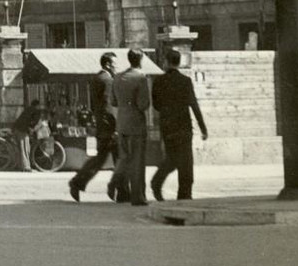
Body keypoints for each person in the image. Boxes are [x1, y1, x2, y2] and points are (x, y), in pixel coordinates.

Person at [150, 49, 208, 201]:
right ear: (178, 62)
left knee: (172, 158)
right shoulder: (185, 81)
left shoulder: (158, 81)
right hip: (184, 126)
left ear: (166, 62)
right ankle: (184, 193)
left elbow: (156, 105)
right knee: (186, 162)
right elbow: (194, 105)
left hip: (168, 126)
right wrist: (203, 127)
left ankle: (157, 181)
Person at [69, 52, 118, 202]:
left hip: (101, 124)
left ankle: (78, 182)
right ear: (108, 64)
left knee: (102, 158)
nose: (117, 67)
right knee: (118, 159)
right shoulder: (107, 80)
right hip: (109, 125)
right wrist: (116, 125)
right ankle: (118, 189)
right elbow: (108, 105)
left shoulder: (96, 78)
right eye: (115, 64)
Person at [110, 49, 150, 205]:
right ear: (140, 60)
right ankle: (138, 196)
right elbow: (143, 104)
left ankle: (117, 186)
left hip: (121, 123)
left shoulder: (118, 78)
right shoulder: (141, 78)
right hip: (136, 124)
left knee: (124, 159)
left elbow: (113, 102)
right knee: (137, 161)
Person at [11, 99, 42, 172]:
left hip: (17, 129)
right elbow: (33, 122)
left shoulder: (28, 109)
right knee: (25, 148)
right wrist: (32, 129)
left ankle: (20, 166)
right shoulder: (35, 111)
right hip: (22, 130)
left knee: (21, 148)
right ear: (37, 105)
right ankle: (26, 167)